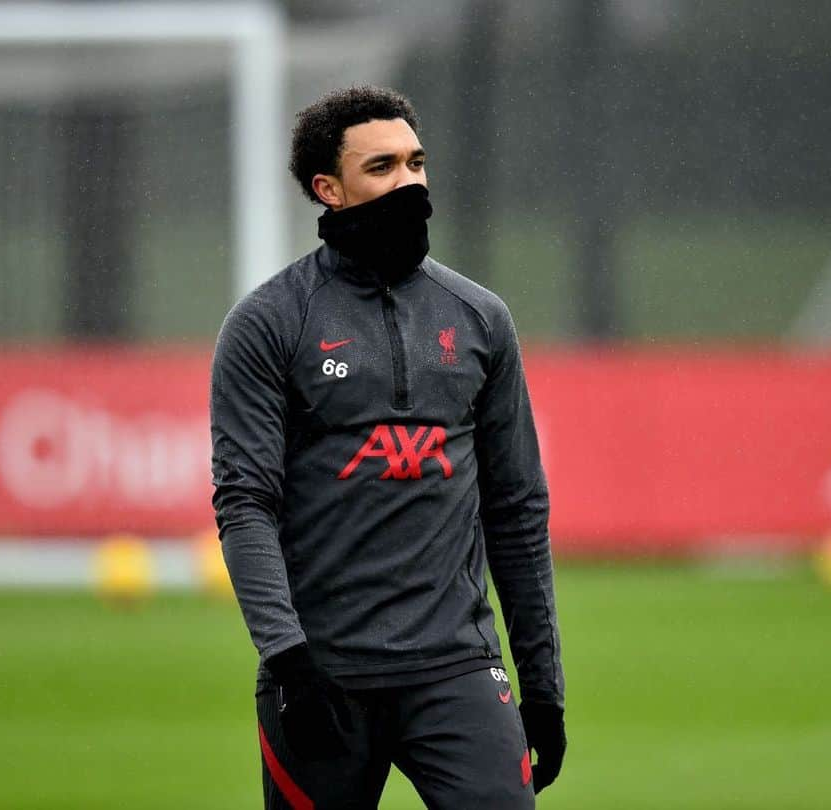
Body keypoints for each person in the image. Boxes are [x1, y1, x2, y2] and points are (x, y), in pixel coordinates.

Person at [210, 85, 565, 809]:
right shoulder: (268, 324)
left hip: (456, 671)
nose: (408, 182)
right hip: (322, 678)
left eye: (416, 162)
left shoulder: (480, 318)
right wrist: (289, 661)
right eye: (382, 168)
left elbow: (518, 509)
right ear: (328, 189)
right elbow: (245, 506)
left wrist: (544, 687)